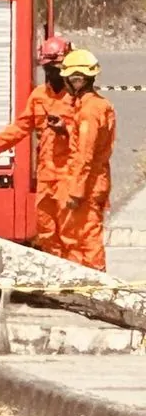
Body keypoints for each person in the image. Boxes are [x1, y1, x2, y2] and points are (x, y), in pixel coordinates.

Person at [0, 34, 74, 258]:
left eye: (58, 68)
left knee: (71, 231)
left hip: (70, 174)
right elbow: (21, 127)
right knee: (46, 229)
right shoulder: (39, 96)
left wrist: (65, 130)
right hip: (46, 175)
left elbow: (91, 138)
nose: (54, 73)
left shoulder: (78, 97)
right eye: (49, 68)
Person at [58, 48, 116, 272]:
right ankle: (81, 282)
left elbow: (85, 153)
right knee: (78, 234)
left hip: (88, 183)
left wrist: (76, 191)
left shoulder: (89, 111)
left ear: (78, 80)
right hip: (94, 179)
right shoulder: (96, 105)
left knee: (87, 235)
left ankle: (95, 287)